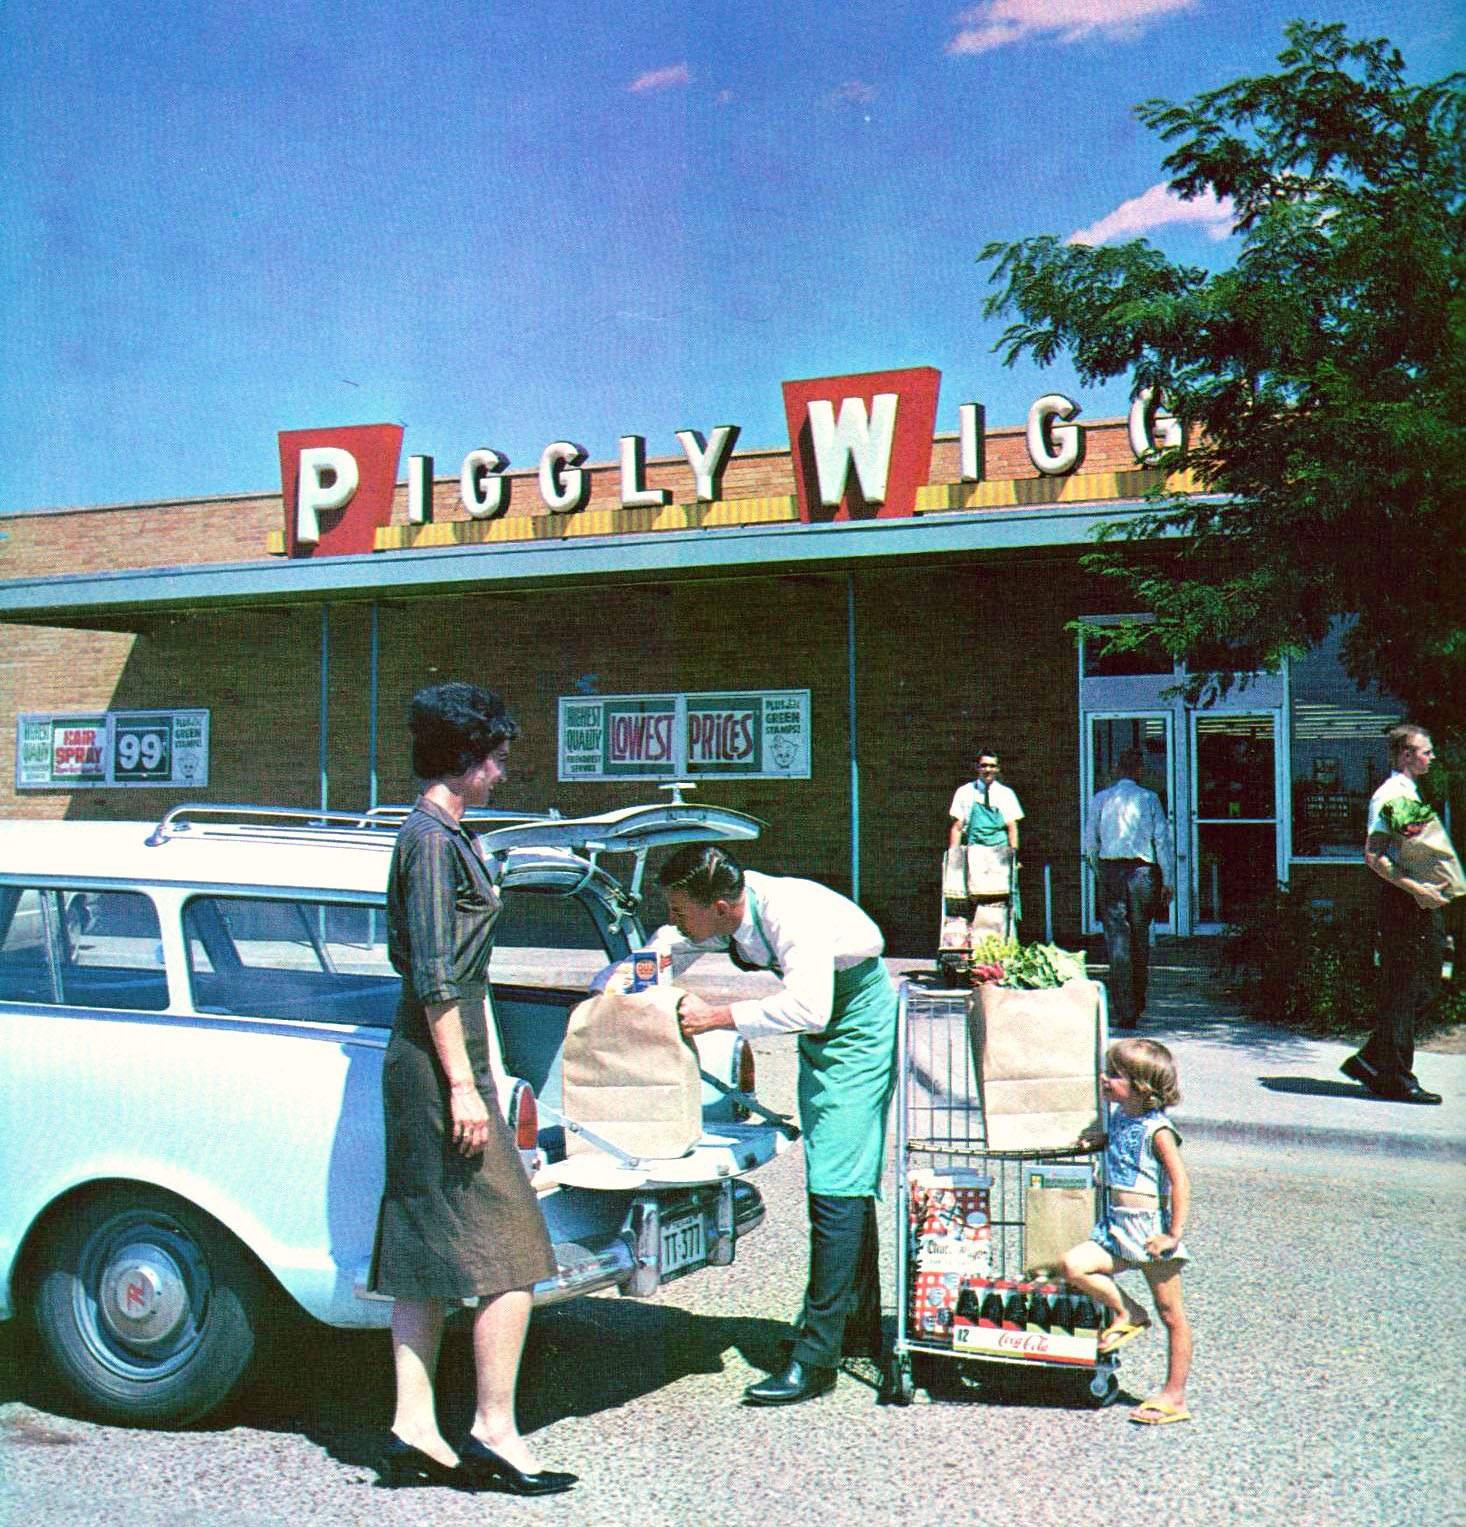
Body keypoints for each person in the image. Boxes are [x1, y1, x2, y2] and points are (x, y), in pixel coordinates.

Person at [368, 682, 576, 1495]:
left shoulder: (453, 834)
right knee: (516, 1248)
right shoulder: (427, 839)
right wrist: (463, 1083)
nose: (502, 769)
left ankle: (415, 1427)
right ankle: (491, 1428)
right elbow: (433, 971)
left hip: (447, 1051)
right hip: (434, 1057)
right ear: (463, 758)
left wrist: (475, 1071)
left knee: (425, 1250)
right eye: (493, 756)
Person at [652, 844, 899, 1406]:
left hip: (853, 1022)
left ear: (718, 906)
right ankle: (853, 1327)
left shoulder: (790, 913)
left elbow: (810, 1008)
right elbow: (672, 946)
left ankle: (816, 1361)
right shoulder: (732, 908)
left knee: (836, 1184)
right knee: (844, 1174)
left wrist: (718, 1017)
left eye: (680, 910)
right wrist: (627, 977)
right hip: (826, 1030)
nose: (675, 920)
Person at [1060, 1037, 1192, 1426]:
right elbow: (1120, 1147)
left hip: (1150, 1230)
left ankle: (1175, 1395)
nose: (1105, 1079)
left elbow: (1180, 1182)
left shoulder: (1159, 1130)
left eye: (1115, 1075)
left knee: (1172, 1315)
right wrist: (1100, 1140)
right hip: (1116, 1227)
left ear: (1141, 1086)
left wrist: (1173, 1235)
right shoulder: (1119, 1117)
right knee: (1073, 1265)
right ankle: (1129, 1311)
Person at [1341, 724, 1447, 1105]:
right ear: (1405, 755)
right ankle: (1397, 1076)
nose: (1431, 758)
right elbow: (1374, 856)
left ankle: (1371, 1059)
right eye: (1425, 751)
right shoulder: (1389, 795)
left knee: (1425, 985)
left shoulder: (1410, 793)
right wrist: (1416, 889)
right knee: (1405, 988)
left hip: (1421, 900)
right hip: (1403, 902)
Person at [1084, 748, 1173, 1029]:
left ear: (1116, 770)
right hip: (1142, 872)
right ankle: (1138, 997)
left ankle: (1125, 1007)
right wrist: (1168, 879)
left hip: (1111, 870)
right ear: (1139, 771)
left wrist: (1099, 871)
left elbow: (1090, 843)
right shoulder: (1149, 799)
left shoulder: (1100, 799)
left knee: (1117, 940)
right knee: (1139, 935)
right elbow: (1162, 840)